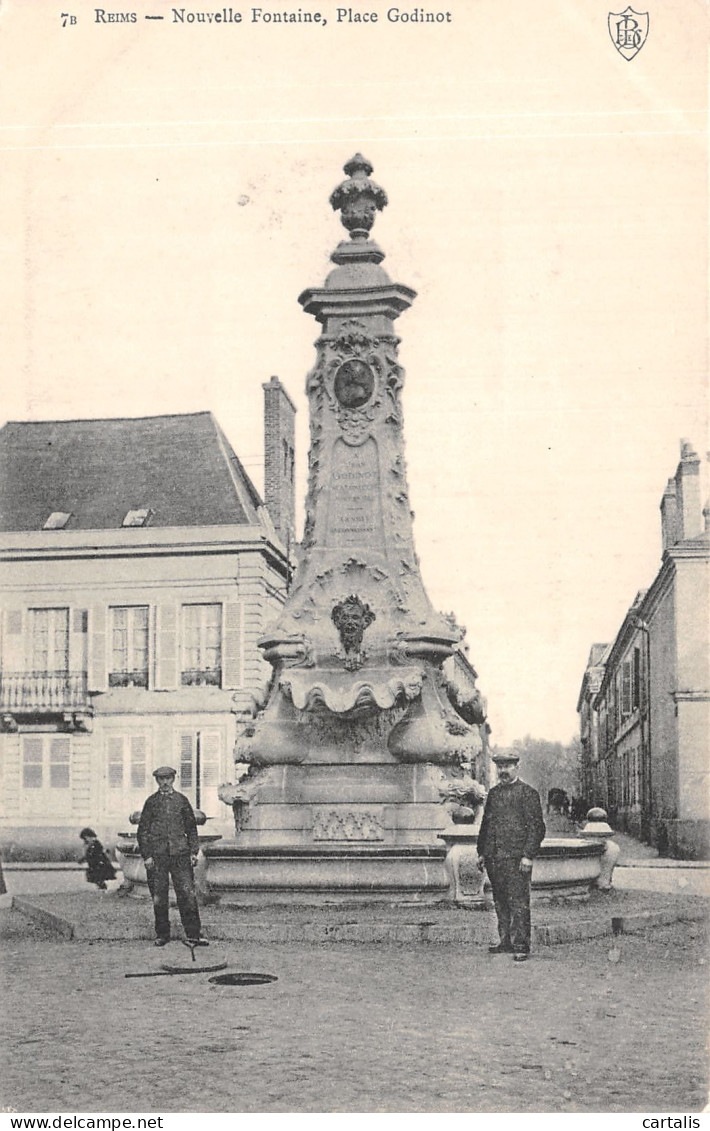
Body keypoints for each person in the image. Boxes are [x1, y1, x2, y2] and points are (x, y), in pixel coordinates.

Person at [477, 751, 546, 962]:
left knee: (518, 902)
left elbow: (537, 828)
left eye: (507, 766)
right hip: (495, 858)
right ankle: (505, 941)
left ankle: (521, 945)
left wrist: (528, 855)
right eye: (500, 767)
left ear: (517, 767)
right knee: (500, 902)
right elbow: (486, 825)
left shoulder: (528, 793)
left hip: (517, 859)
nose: (503, 771)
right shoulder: (494, 794)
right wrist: (482, 852)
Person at [136, 766, 208, 948]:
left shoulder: (182, 801)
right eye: (161, 779)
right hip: (158, 856)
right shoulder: (151, 802)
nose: (165, 782)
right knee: (159, 896)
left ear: (174, 779)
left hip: (180, 855)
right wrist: (147, 856)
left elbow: (191, 828)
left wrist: (193, 851)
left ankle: (194, 935)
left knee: (187, 894)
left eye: (168, 778)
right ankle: (162, 934)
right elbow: (143, 831)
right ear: (157, 781)